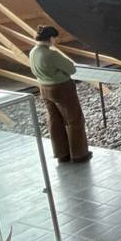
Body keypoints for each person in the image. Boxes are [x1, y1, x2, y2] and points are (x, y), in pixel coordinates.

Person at [31, 25, 91, 163]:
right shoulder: (51, 54)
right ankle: (79, 153)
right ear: (51, 38)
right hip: (61, 88)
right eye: (55, 38)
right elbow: (71, 69)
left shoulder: (33, 52)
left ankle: (61, 153)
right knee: (74, 119)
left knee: (54, 121)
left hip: (44, 87)